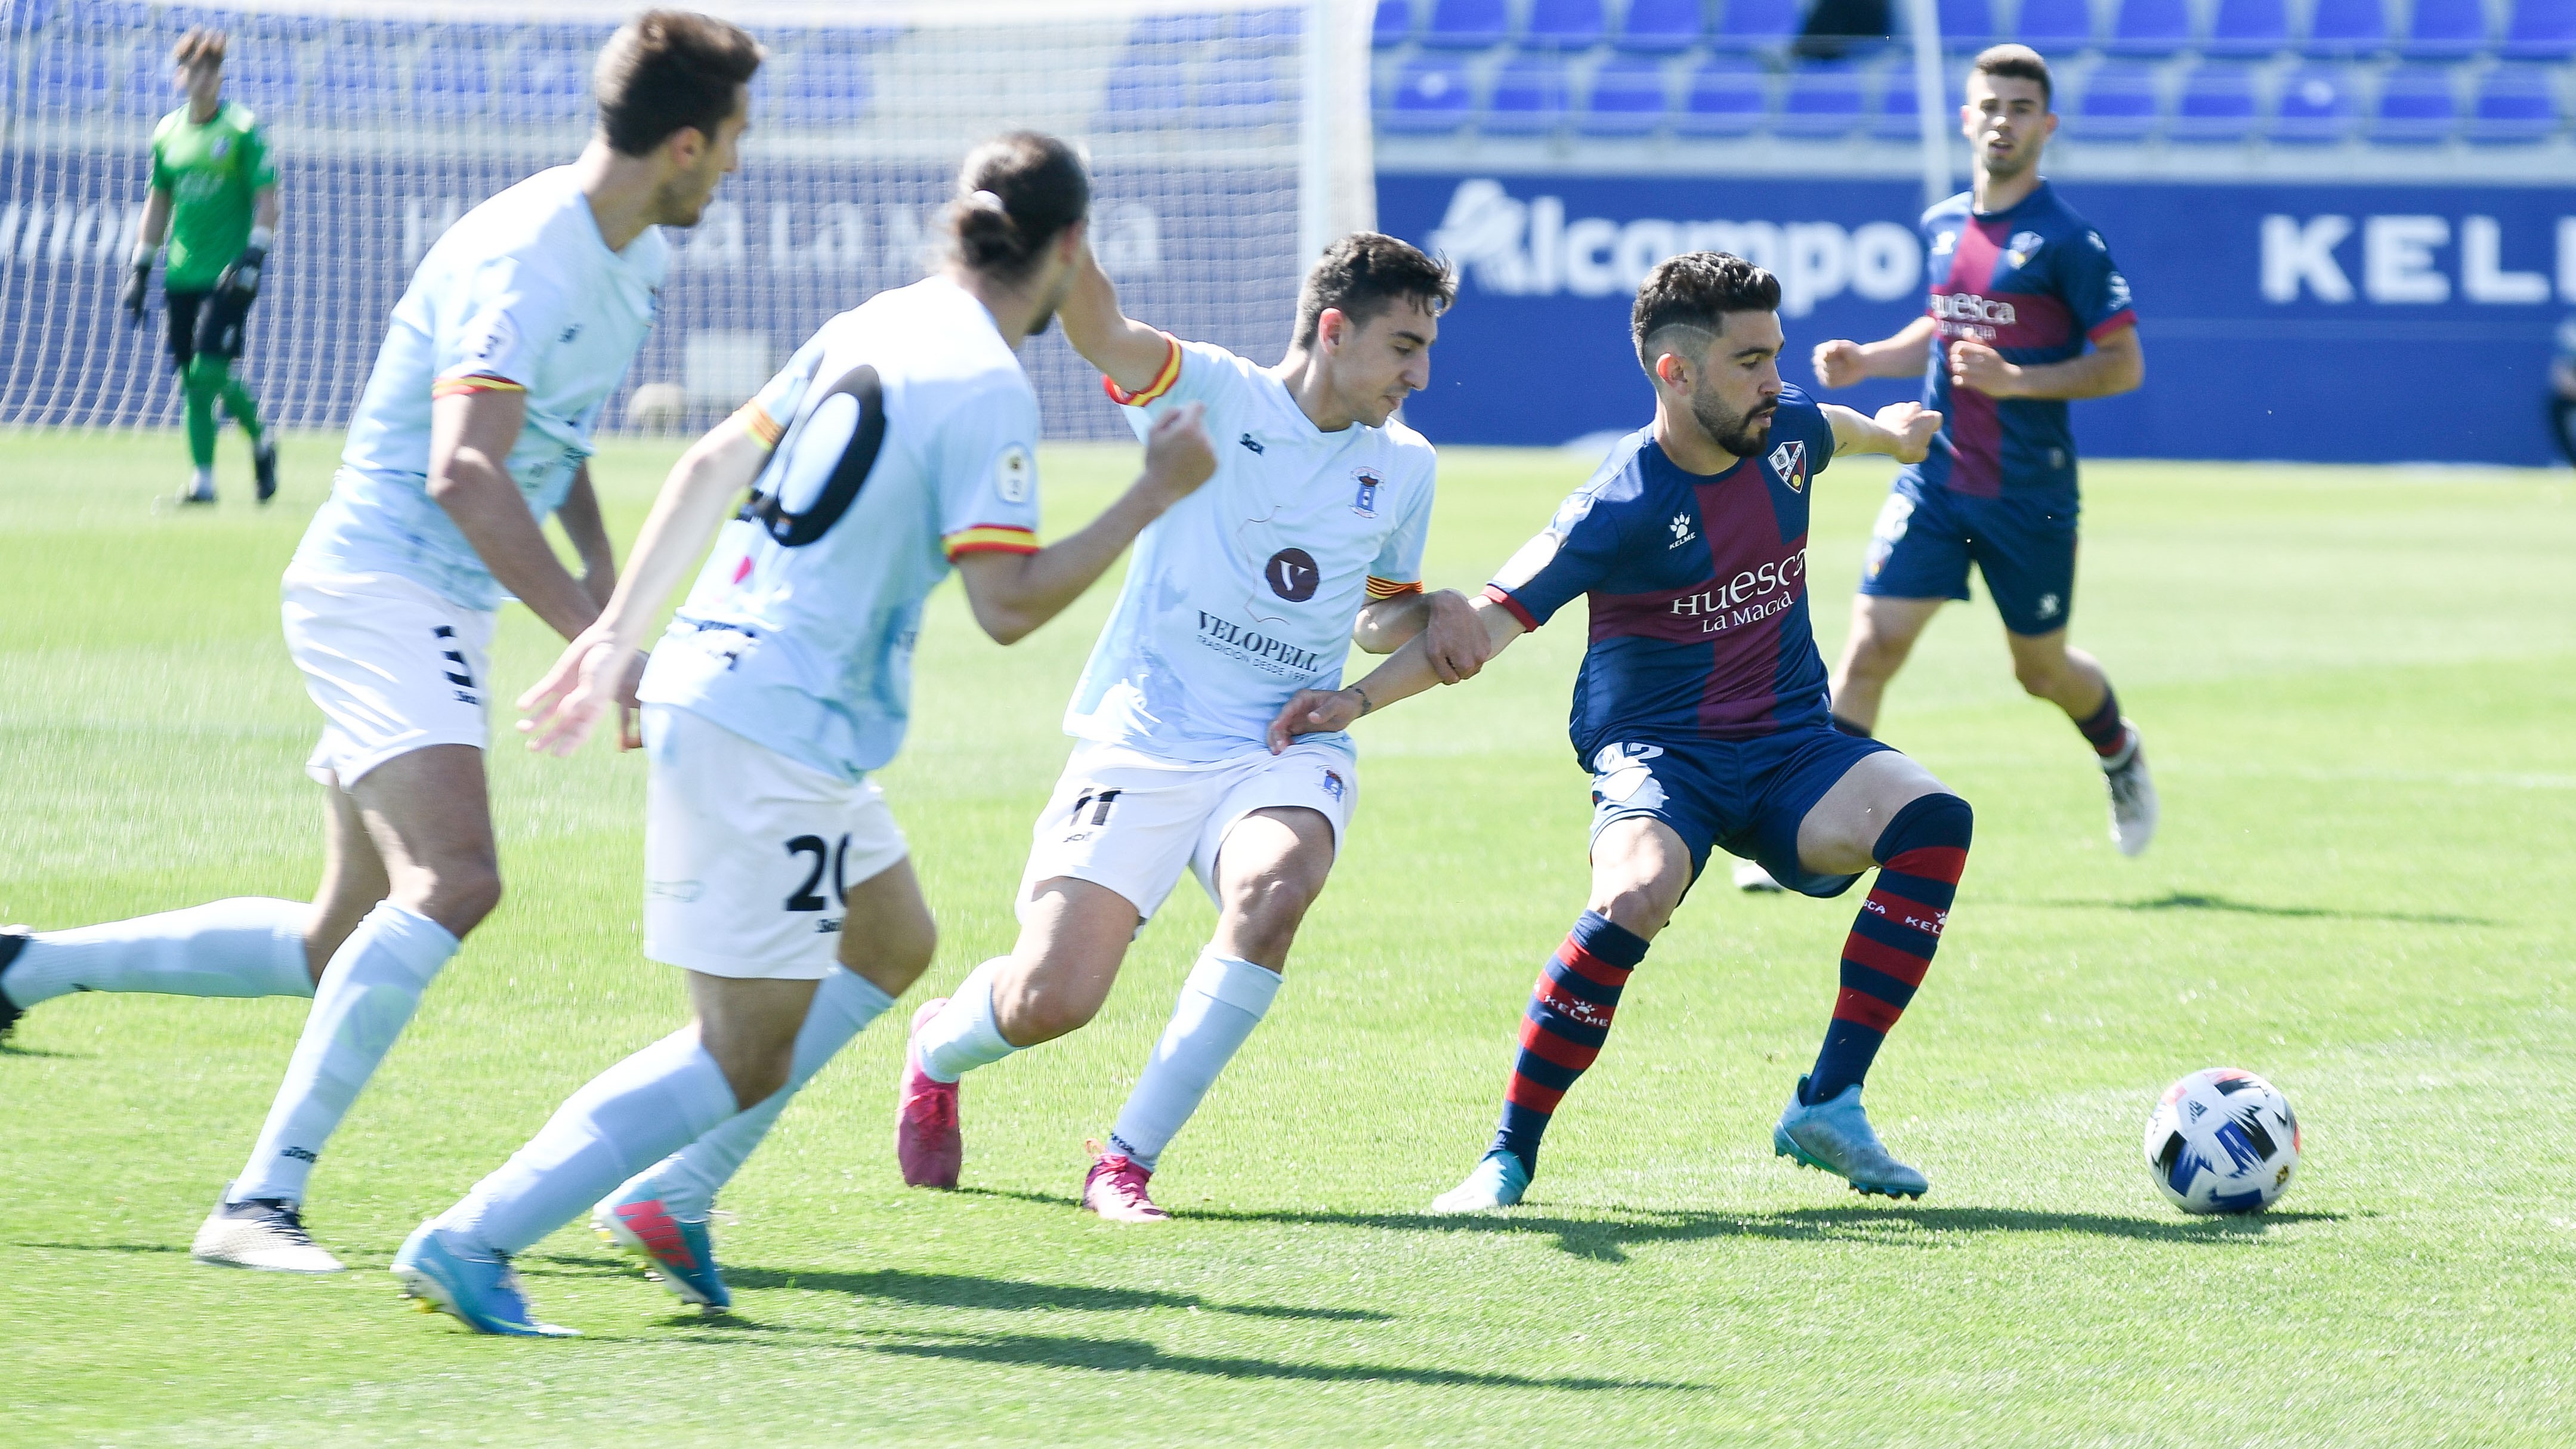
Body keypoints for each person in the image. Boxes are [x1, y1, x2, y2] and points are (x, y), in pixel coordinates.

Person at [390, 132, 1219, 1336]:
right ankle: (474, 1235)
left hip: (745, 690)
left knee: (894, 937)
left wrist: (621, 634)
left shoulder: (880, 318)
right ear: (1071, 247)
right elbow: (1007, 606)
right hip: (768, 723)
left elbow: (713, 454)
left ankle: (674, 1193)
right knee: (740, 1048)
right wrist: (1150, 493)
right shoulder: (987, 383)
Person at [0, 11, 760, 1274]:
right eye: (732, 139)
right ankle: (256, 1200)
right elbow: (466, 470)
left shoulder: (629, 257)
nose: (737, 163)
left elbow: (544, 444)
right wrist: (602, 637)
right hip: (380, 583)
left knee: (334, 934)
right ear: (683, 142)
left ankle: (24, 965)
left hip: (429, 596)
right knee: (455, 878)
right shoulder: (527, 255)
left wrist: (610, 603)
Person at [1269, 252, 1969, 1211]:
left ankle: (1829, 1104)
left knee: (1935, 818)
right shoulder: (1615, 502)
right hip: (1660, 757)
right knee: (1635, 892)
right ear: (1672, 373)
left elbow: (1833, 427)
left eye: (1775, 355)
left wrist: (1891, 435)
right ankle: (1505, 1160)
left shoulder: (1787, 428)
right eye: (1747, 362)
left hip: (1789, 744)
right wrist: (1354, 701)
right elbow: (1488, 625)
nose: (1774, 381)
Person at [895, 233, 1483, 1223]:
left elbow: (1375, 611)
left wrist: (1432, 609)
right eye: (1402, 346)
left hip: (1282, 741)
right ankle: (937, 1046)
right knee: (1052, 999)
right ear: (1333, 330)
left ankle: (1123, 1160)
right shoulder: (1207, 388)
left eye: (1426, 349)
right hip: (1147, 731)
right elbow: (1099, 330)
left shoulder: (1403, 465)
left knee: (1274, 885)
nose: (1419, 374)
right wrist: (1060, 224)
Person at [1793, 44, 2150, 883]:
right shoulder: (1944, 222)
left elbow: (2122, 364)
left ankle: (2118, 751)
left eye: (2019, 109)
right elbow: (1944, 323)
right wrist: (1871, 359)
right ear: (1966, 117)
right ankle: (1818, 832)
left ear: (2045, 125)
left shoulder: (2069, 242)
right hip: (1935, 480)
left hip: (2028, 494)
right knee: (1870, 648)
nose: (2002, 121)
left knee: (2040, 671)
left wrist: (2015, 379)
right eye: (1989, 106)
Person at [122, 27, 280, 505]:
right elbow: (158, 202)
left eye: (211, 70)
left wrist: (254, 255)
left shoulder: (242, 129)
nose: (202, 78)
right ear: (179, 76)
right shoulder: (167, 133)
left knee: (207, 372)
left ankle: (206, 482)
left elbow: (268, 200)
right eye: (194, 69)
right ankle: (259, 443)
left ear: (220, 76)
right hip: (180, 274)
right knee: (194, 378)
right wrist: (140, 267)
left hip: (229, 275)